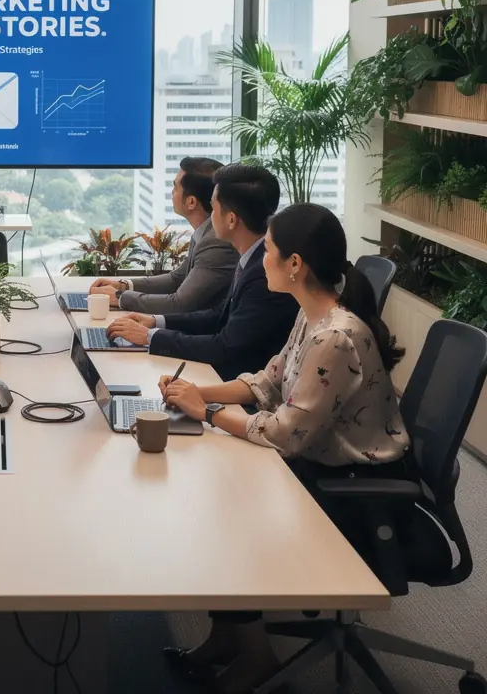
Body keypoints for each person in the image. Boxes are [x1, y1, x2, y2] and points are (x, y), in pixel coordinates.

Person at [159, 202, 410, 694]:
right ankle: (227, 637)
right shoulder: (310, 314)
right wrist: (198, 393)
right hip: (317, 466)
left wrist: (202, 412)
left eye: (269, 251)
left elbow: (282, 433)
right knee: (217, 494)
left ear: (296, 264)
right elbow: (267, 383)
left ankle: (256, 660)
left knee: (225, 515)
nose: (261, 259)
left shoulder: (335, 337)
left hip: (351, 489)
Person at [107, 163, 297, 379]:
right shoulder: (252, 258)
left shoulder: (265, 272)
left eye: (214, 208)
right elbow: (219, 316)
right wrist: (156, 322)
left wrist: (150, 336)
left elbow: (224, 347)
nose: (210, 216)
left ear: (232, 219)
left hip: (238, 386)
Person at [89, 156, 237, 314]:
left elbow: (179, 304)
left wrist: (120, 297)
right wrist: (123, 285)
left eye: (175, 187)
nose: (172, 193)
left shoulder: (215, 242)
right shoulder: (205, 232)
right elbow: (177, 279)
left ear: (191, 202)